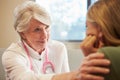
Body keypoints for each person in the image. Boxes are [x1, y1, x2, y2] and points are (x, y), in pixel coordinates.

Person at [2, 1, 110, 80]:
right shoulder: (12, 54)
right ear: (23, 33)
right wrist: (73, 75)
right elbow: (25, 78)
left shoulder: (58, 48)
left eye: (47, 27)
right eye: (37, 30)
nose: (45, 36)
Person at [80, 0, 120, 79]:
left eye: (87, 26)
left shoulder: (105, 55)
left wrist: (91, 58)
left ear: (100, 28)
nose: (86, 33)